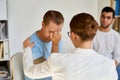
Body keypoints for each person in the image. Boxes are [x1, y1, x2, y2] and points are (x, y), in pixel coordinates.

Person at [23, 13, 118, 80]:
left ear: (73, 35)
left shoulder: (58, 60)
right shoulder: (109, 65)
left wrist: (27, 48)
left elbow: (29, 71)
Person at [23, 10, 64, 80]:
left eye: (58, 31)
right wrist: (55, 44)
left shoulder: (57, 38)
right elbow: (53, 67)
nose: (54, 35)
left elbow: (59, 64)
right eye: (51, 31)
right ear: (43, 24)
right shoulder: (31, 43)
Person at [92, 6, 120, 79]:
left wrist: (109, 68)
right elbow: (89, 52)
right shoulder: (92, 33)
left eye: (108, 18)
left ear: (113, 19)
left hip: (110, 69)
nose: (105, 20)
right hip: (94, 68)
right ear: (100, 17)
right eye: (103, 17)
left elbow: (117, 56)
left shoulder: (116, 36)